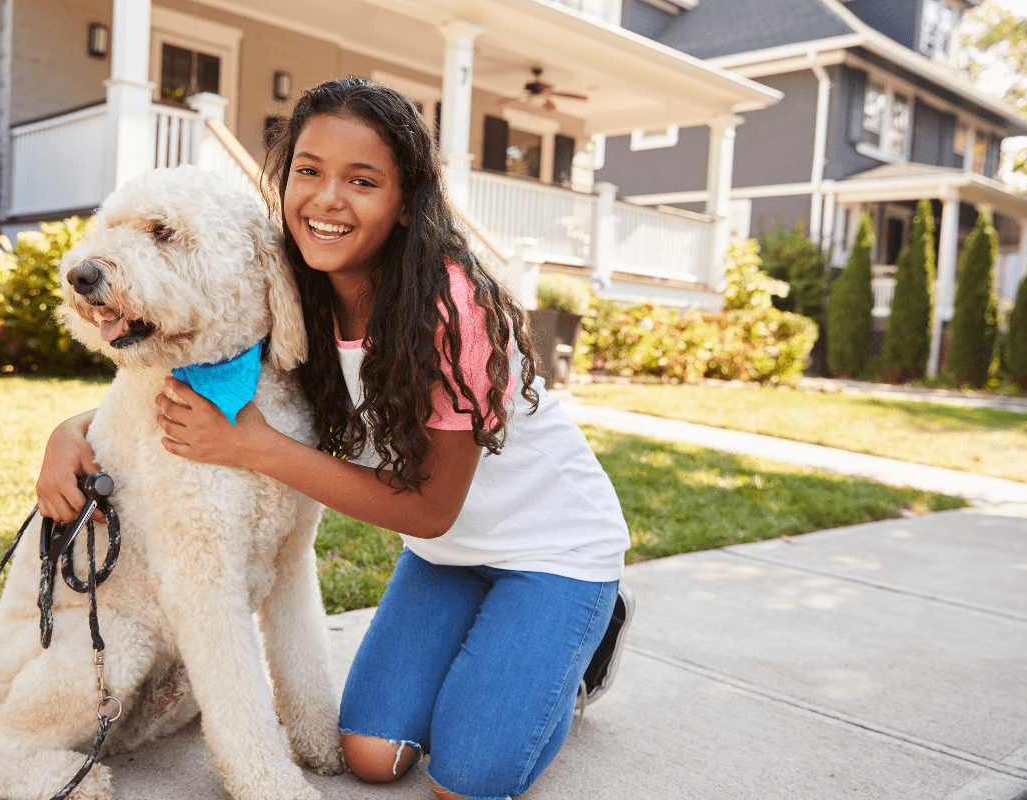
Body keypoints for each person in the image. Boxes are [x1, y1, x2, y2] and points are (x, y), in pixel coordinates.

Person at [37, 77, 631, 800]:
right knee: (372, 755)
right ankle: (497, 640)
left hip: (553, 550)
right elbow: (186, 357)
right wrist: (70, 433)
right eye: (309, 172)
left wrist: (255, 448)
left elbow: (428, 509)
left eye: (363, 180)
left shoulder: (452, 310)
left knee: (467, 781)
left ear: (406, 201)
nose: (326, 199)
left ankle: (578, 654)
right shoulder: (304, 282)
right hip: (449, 560)